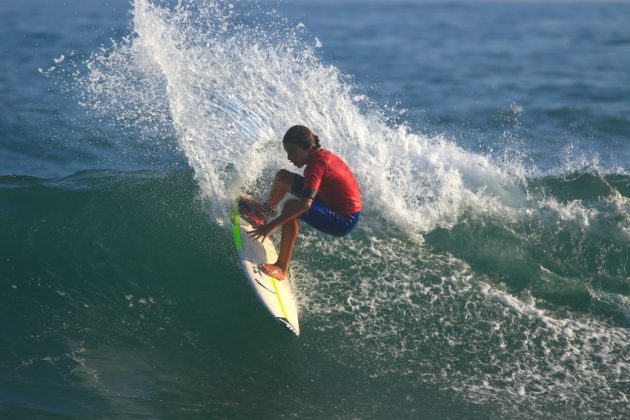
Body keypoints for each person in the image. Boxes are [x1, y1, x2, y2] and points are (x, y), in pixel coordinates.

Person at [239, 125, 362, 280]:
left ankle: (281, 267)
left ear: (308, 147)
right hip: (330, 200)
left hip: (343, 219)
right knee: (283, 177)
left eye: (292, 151)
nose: (289, 157)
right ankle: (264, 212)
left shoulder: (315, 166)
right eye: (287, 152)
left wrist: (269, 228)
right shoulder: (318, 157)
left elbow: (305, 205)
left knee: (291, 206)